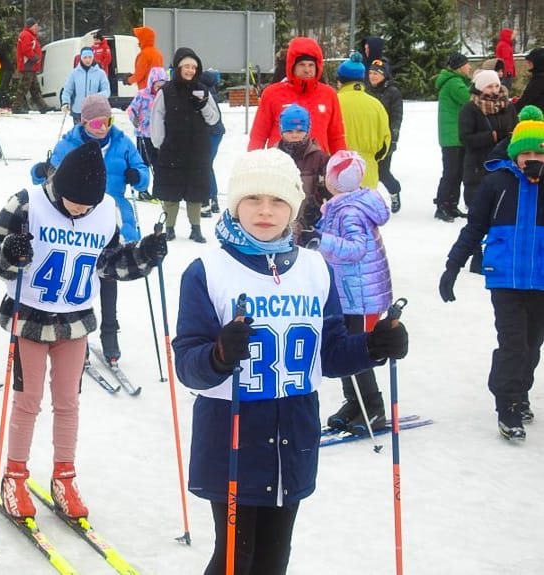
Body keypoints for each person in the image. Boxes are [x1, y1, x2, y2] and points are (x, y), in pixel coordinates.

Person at [172, 148, 408, 575]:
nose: (266, 211)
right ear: (235, 204)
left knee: (273, 559)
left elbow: (330, 354)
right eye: (253, 198)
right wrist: (219, 353)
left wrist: (374, 345)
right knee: (235, 559)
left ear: (293, 207)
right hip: (233, 432)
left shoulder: (315, 269)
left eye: (278, 200)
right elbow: (188, 364)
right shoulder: (208, 271)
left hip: (294, 434)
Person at [0, 140, 167, 520]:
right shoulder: (27, 203)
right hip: (30, 317)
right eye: (75, 202)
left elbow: (110, 264)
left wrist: (144, 254)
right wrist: (10, 252)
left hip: (75, 321)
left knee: (68, 403)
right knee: (28, 401)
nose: (81, 210)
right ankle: (15, 475)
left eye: (88, 205)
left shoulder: (106, 211)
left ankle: (64, 477)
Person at [439, 105, 544, 442]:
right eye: (525, 153)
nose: (531, 159)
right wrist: (453, 265)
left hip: (540, 280)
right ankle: (507, 404)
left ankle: (520, 392)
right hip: (505, 280)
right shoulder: (496, 183)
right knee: (513, 344)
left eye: (538, 153)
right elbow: (474, 227)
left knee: (532, 345)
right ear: (514, 154)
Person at [30, 94, 150, 361]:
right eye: (96, 123)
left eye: (107, 122)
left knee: (109, 274)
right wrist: (42, 171)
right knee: (79, 276)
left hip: (112, 216)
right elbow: (51, 180)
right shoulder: (69, 144)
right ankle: (76, 335)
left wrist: (137, 176)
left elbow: (143, 173)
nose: (102, 128)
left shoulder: (122, 143)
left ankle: (110, 333)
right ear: (83, 123)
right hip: (77, 218)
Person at [317, 150, 393, 434]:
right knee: (342, 347)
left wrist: (321, 240)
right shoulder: (340, 205)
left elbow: (356, 249)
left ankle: (373, 407)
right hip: (348, 293)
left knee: (358, 349)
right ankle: (354, 402)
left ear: (335, 180)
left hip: (361, 297)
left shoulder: (350, 211)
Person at [151, 48, 220, 243]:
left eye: (193, 67)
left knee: (195, 191)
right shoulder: (166, 91)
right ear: (178, 68)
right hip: (172, 147)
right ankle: (169, 227)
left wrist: (203, 104)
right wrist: (159, 142)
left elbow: (214, 119)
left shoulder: (203, 90)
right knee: (171, 191)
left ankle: (196, 228)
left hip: (197, 149)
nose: (190, 70)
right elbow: (157, 117)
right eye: (186, 66)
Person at [458, 69, 518, 273]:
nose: (494, 90)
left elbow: (516, 130)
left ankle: (497, 255)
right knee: (477, 215)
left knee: (500, 214)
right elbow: (466, 138)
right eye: (489, 86)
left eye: (496, 85)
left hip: (503, 167)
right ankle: (476, 256)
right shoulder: (470, 109)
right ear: (480, 87)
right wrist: (492, 136)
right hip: (478, 167)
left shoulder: (508, 107)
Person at [248, 37, 347, 155]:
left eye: (311, 65)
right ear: (292, 66)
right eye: (302, 64)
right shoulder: (272, 94)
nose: (307, 70)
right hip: (281, 164)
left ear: (317, 67)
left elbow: (336, 138)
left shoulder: (329, 95)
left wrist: (342, 162)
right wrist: (252, 162)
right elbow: (258, 136)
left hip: (317, 164)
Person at [275, 103, 329, 247]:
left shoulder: (319, 158)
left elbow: (330, 190)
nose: (294, 135)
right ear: (281, 130)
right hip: (280, 221)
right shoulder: (274, 156)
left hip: (310, 222)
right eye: (289, 131)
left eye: (299, 131)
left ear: (307, 130)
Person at [335, 52, 391, 191]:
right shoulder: (376, 105)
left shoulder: (334, 103)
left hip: (339, 173)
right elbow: (385, 143)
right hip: (368, 172)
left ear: (340, 81)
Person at [434, 52, 472, 222]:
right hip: (453, 136)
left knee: (457, 172)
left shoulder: (456, 81)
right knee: (451, 172)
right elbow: (470, 100)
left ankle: (451, 204)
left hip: (454, 135)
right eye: (467, 64)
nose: (469, 67)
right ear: (459, 67)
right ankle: (443, 205)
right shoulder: (454, 83)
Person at [367, 57, 404, 213]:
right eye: (371, 73)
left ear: (384, 75)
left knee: (382, 172)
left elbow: (396, 117)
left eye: (376, 73)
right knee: (365, 172)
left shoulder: (392, 92)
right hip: (367, 138)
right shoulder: (365, 90)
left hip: (384, 139)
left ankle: (394, 191)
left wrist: (393, 140)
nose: (373, 76)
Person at [126, 66, 167, 201]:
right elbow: (131, 109)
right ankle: (142, 190)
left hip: (159, 135)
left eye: (163, 86)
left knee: (159, 163)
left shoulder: (165, 96)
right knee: (143, 162)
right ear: (152, 84)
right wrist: (134, 119)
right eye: (157, 85)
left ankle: (159, 190)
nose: (159, 89)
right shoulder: (143, 95)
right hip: (143, 133)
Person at [61, 47, 110, 125]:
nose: (87, 60)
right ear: (81, 58)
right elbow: (67, 90)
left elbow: (106, 91)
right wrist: (66, 102)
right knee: (79, 132)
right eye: (85, 57)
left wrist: (95, 98)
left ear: (93, 57)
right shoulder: (74, 73)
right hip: (78, 111)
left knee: (93, 132)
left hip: (95, 111)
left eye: (90, 57)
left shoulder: (100, 73)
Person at [200, 68, 225, 218]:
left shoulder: (203, 92)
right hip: (216, 132)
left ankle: (209, 197)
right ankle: (213, 198)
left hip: (210, 132)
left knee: (205, 165)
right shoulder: (212, 91)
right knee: (207, 165)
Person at [13, 18, 50, 114]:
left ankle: (43, 107)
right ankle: (16, 107)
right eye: (35, 26)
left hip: (30, 66)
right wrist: (35, 58)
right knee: (24, 87)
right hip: (28, 65)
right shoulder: (26, 35)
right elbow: (26, 49)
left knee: (35, 88)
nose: (37, 28)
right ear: (30, 26)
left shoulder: (30, 35)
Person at [515, 48, 544, 112]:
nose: (528, 63)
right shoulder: (538, 77)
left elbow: (526, 101)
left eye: (530, 61)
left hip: (535, 115)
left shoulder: (539, 80)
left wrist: (511, 110)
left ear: (538, 62)